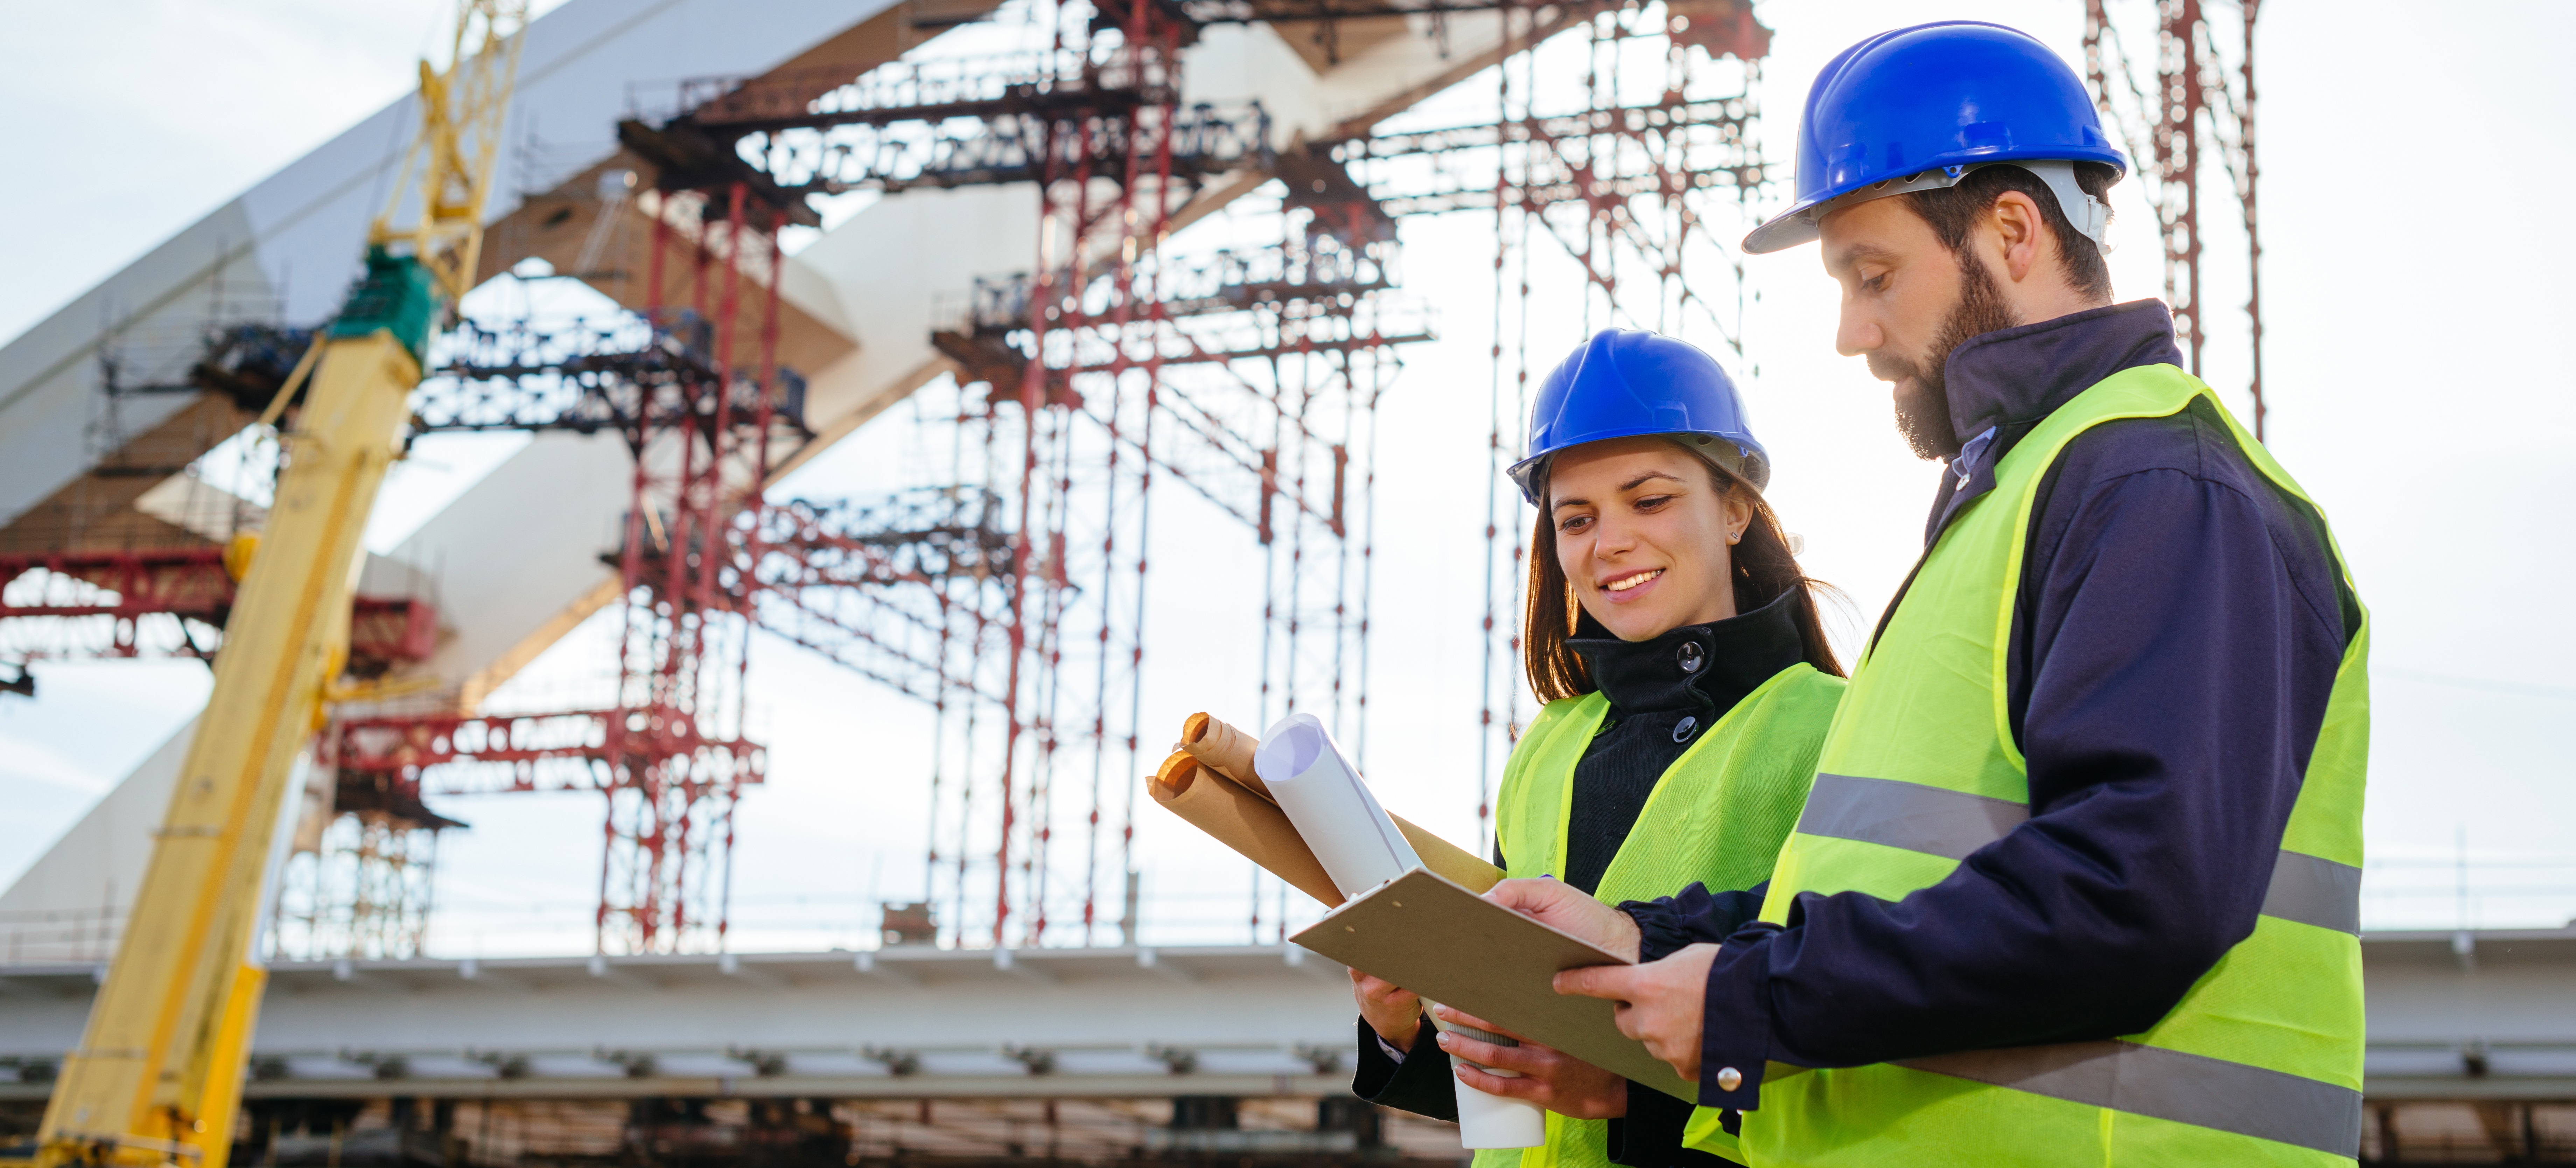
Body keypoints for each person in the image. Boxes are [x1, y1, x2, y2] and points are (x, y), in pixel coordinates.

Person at [1490, 20, 2371, 1167]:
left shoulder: (2158, 487)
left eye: (1874, 275)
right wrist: (1643, 935)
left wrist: (1756, 996)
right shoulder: (2028, 501)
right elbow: (1897, 883)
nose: (1854, 332)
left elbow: (2136, 891)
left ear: (2012, 229)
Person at [1349, 329, 1848, 1168]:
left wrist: (1632, 1103)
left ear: (1733, 509)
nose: (1606, 542)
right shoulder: (1545, 746)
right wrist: (1402, 1029)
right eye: (1573, 519)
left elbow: (1870, 1015)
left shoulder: (1836, 725)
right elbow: (1516, 1076)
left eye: (1647, 500)